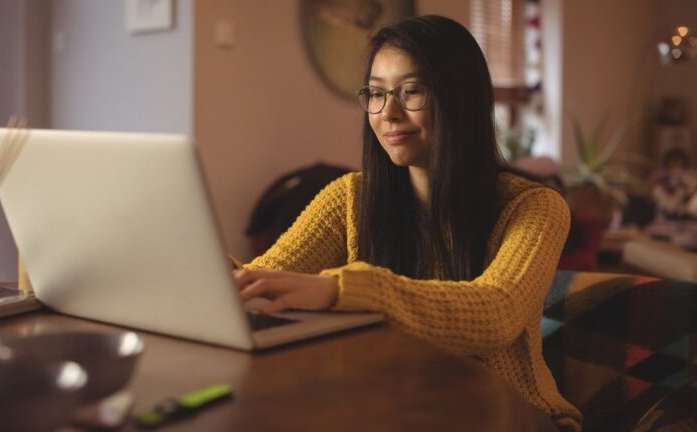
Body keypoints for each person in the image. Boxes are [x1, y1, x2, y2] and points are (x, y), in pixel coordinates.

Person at [233, 15, 582, 431]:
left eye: (411, 91)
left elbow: (496, 313)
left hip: (512, 416)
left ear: (460, 98)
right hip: (398, 411)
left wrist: (342, 290)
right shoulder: (350, 197)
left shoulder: (535, 207)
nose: (388, 113)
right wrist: (220, 277)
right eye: (376, 93)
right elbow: (264, 279)